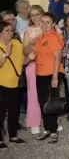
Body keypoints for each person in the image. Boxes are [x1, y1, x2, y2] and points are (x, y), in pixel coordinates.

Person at [34, 12, 65, 143]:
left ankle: (53, 130)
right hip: (40, 72)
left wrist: (55, 77)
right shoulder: (40, 37)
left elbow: (58, 56)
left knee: (51, 102)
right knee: (42, 102)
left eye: (48, 22)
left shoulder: (54, 37)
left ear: (53, 24)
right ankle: (47, 128)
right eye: (42, 21)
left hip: (51, 73)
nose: (44, 24)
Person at [0, 21, 31, 149]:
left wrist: (30, 58)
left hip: (15, 83)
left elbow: (22, 62)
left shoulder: (17, 43)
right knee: (1, 112)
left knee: (14, 110)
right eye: (7, 30)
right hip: (1, 84)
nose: (10, 33)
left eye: (11, 30)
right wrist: (5, 55)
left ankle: (13, 135)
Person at [22, 5, 44, 135]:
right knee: (33, 94)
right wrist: (32, 43)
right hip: (33, 64)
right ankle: (34, 122)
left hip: (48, 64)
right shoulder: (28, 31)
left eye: (37, 14)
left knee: (49, 92)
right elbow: (24, 51)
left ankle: (52, 121)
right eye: (32, 15)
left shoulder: (50, 27)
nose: (35, 17)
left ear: (42, 14)